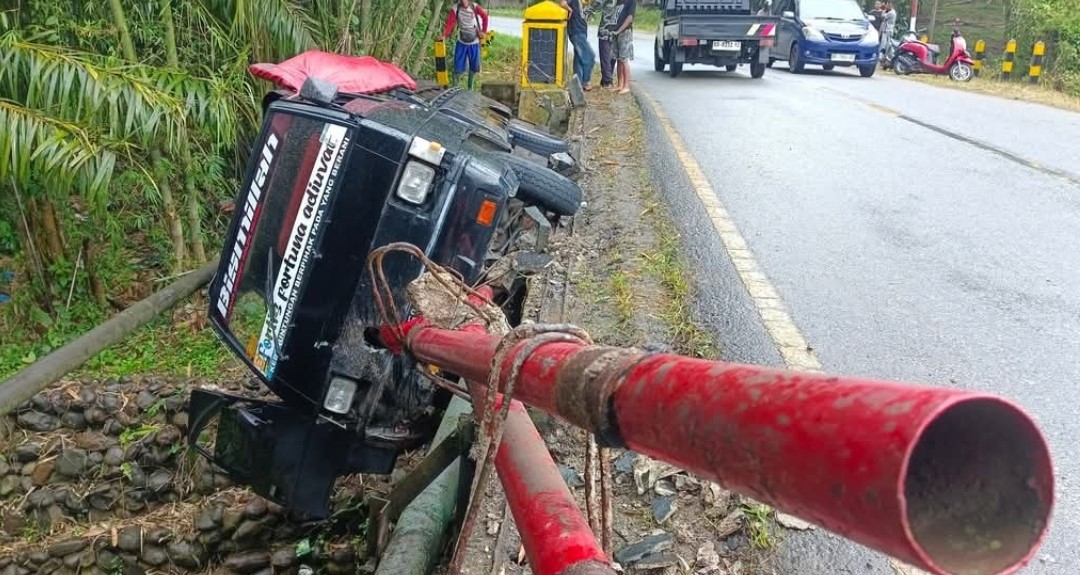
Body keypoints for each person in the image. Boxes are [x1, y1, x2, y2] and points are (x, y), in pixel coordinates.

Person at [443, 0, 490, 90]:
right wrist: (444, 35)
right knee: (458, 65)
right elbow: (450, 23)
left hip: (474, 42)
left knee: (474, 66)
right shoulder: (456, 8)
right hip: (462, 42)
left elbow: (485, 17)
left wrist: (483, 32)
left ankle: (470, 88)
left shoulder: (475, 7)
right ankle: (455, 87)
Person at [561, 0, 597, 90]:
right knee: (590, 56)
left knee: (579, 59)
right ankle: (585, 82)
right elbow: (562, 3)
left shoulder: (585, 2)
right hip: (576, 32)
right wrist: (570, 9)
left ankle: (577, 84)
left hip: (582, 31)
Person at [589, 0, 620, 88]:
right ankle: (607, 79)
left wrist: (587, 11)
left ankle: (607, 81)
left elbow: (598, 3)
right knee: (612, 56)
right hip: (618, 28)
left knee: (605, 56)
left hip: (606, 27)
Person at [609, 0, 636, 94]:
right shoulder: (619, 1)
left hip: (625, 32)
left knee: (624, 59)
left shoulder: (631, 1)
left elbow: (630, 18)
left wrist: (619, 30)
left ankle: (626, 85)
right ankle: (620, 84)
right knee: (618, 59)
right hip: (616, 32)